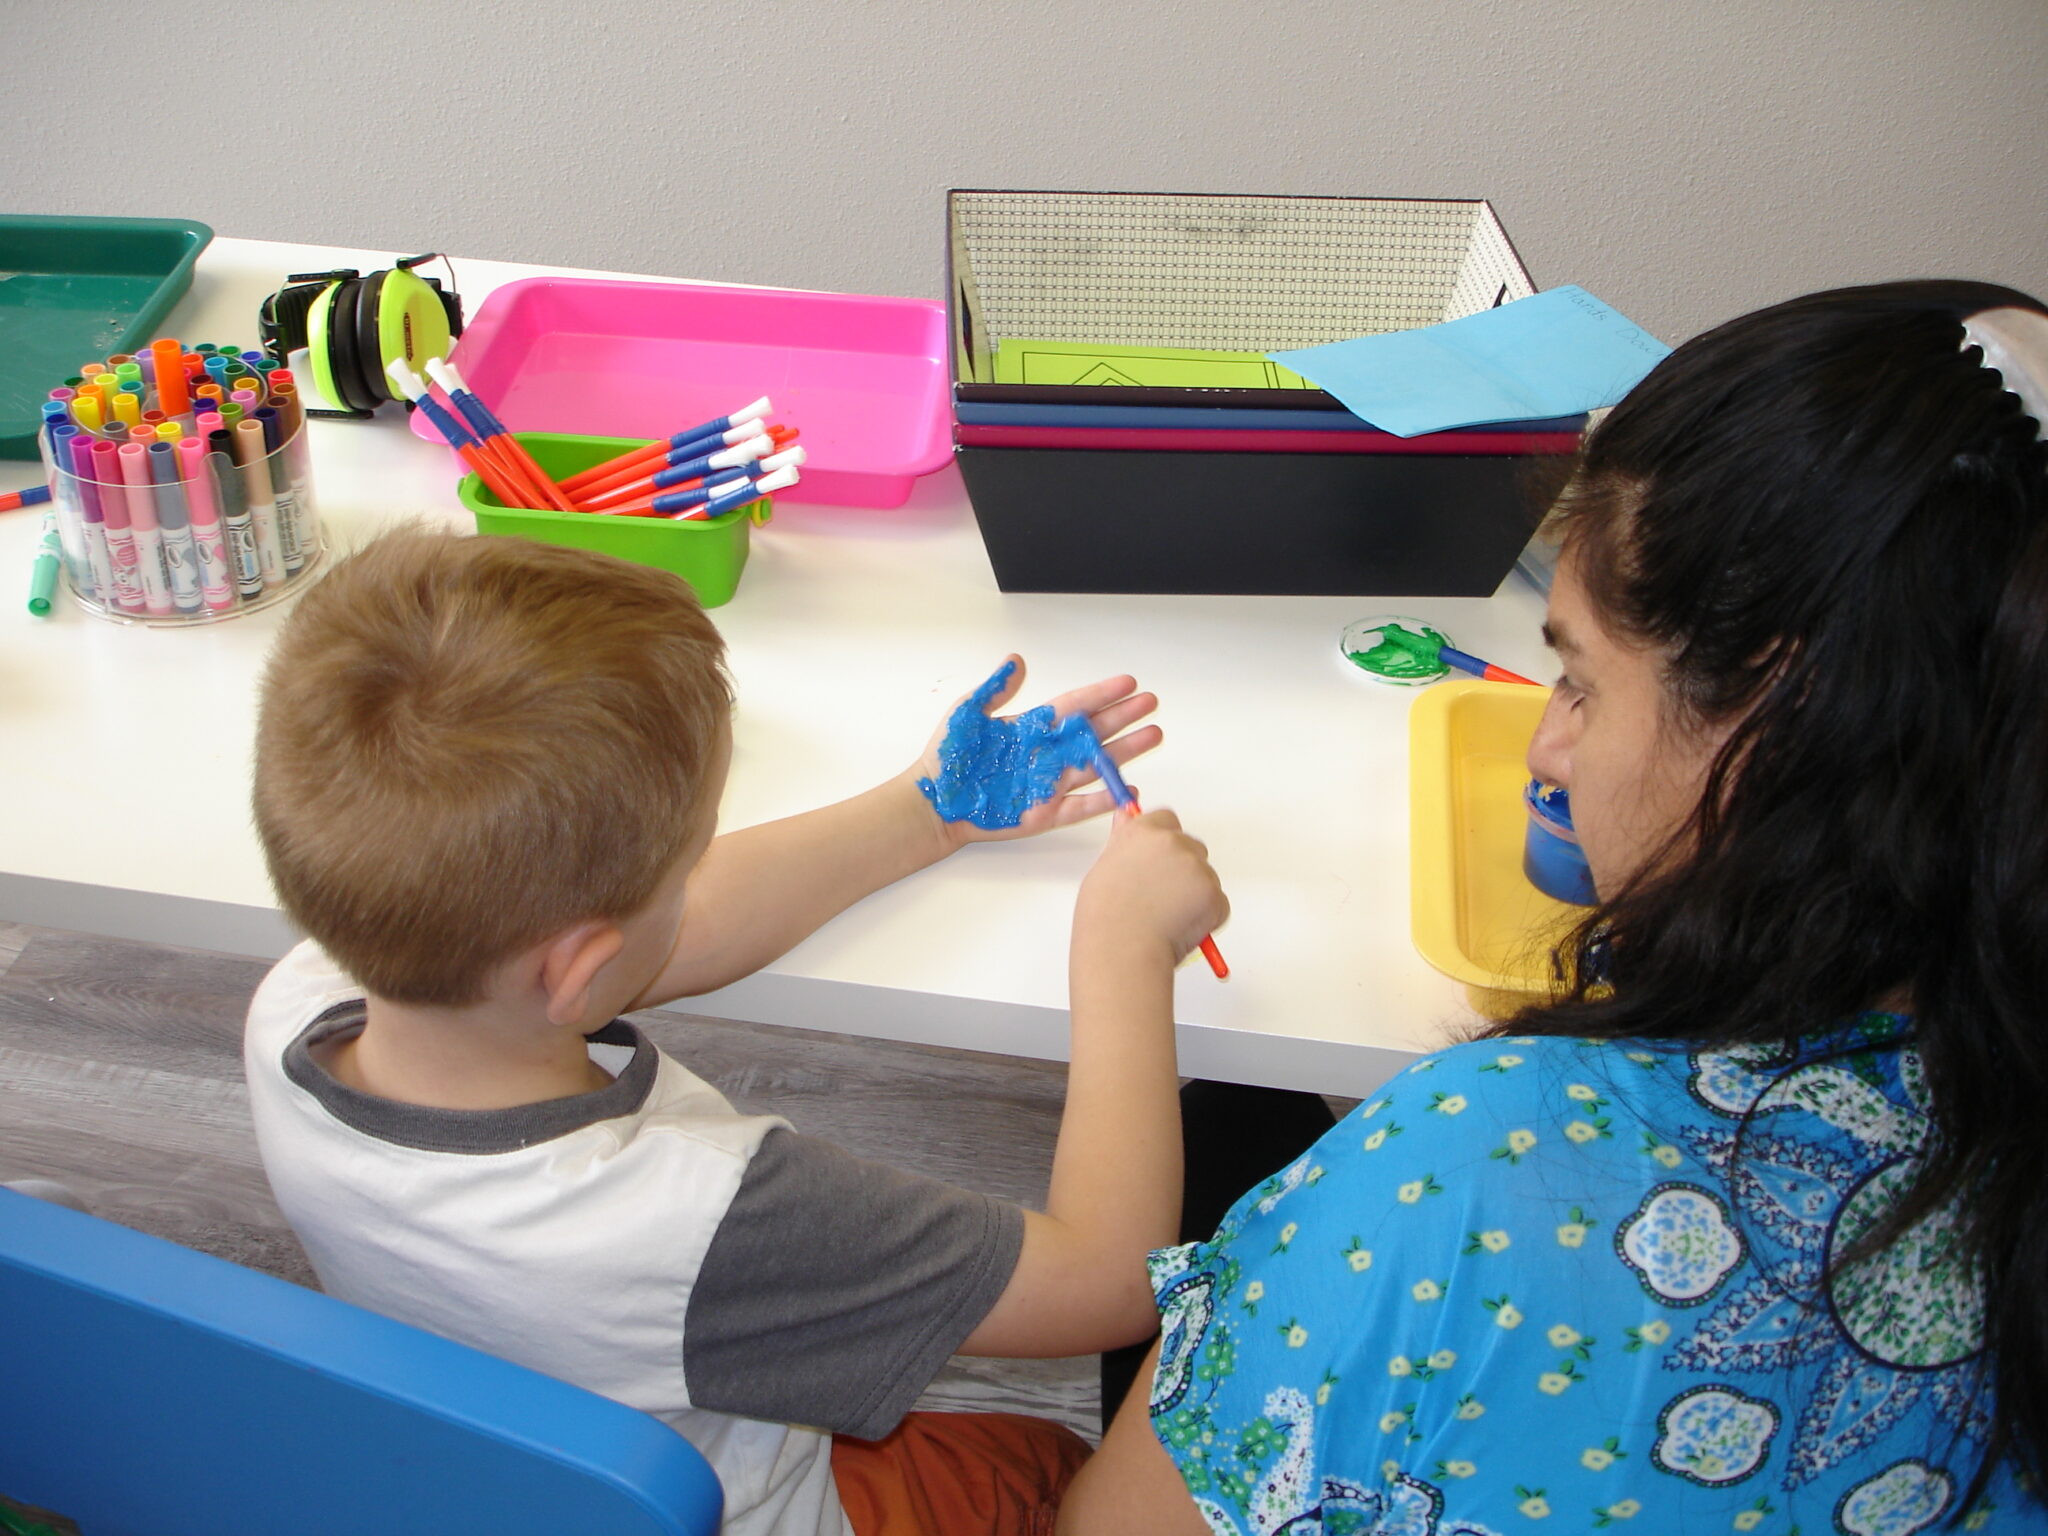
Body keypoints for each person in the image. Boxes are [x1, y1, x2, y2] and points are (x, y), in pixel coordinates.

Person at [1060, 281, 2048, 1534]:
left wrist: (1110, 956)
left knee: (1223, 1143)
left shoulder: (1478, 1168)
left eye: (1576, 680)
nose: (1544, 747)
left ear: (1769, 723)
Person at [241, 529, 1228, 1536]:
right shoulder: (702, 1219)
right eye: (685, 862)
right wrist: (1123, 952)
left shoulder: (304, 998)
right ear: (578, 968)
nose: (694, 883)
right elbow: (1110, 1282)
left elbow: (664, 939)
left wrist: (929, 813)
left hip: (530, 1459)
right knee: (1050, 1464)